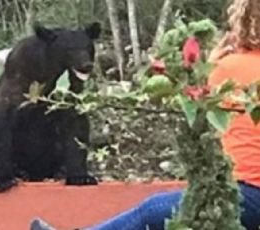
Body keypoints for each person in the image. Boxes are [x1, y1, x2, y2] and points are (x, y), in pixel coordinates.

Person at [30, 0, 260, 229]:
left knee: (154, 210)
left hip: (245, 191)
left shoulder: (226, 67)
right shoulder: (229, 67)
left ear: (243, 19)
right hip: (238, 190)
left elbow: (195, 115)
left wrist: (208, 65)